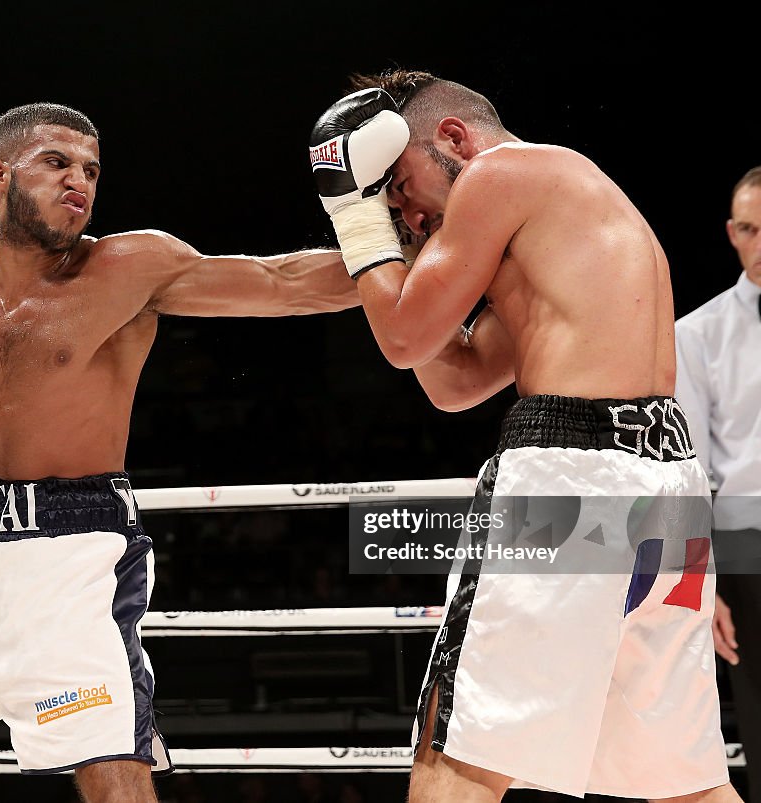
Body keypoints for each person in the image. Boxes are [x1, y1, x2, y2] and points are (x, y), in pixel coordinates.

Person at [0, 102, 359, 803]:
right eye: (56, 163)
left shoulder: (127, 266)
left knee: (115, 789)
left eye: (90, 169)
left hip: (78, 560)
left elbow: (285, 284)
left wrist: (424, 252)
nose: (78, 181)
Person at [308, 70, 740, 801]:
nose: (407, 217)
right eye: (389, 207)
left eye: (402, 188)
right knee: (682, 783)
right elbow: (457, 378)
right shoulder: (571, 210)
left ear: (451, 137)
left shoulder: (499, 172)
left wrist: (352, 216)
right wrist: (403, 264)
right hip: (670, 494)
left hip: (570, 477)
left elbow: (406, 336)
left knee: (460, 748)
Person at [675, 166, 761, 802]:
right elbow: (689, 470)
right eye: (751, 229)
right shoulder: (698, 334)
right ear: (732, 234)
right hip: (747, 549)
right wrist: (701, 587)